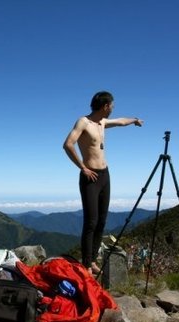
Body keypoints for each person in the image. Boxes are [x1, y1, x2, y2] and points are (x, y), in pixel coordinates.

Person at [63, 90, 143, 275]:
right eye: (112, 106)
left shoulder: (102, 123)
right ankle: (86, 264)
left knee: (101, 220)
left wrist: (134, 120)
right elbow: (68, 144)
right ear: (105, 106)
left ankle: (92, 259)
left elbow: (121, 121)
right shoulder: (84, 122)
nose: (113, 110)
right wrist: (82, 167)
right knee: (91, 221)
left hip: (105, 175)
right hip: (90, 176)